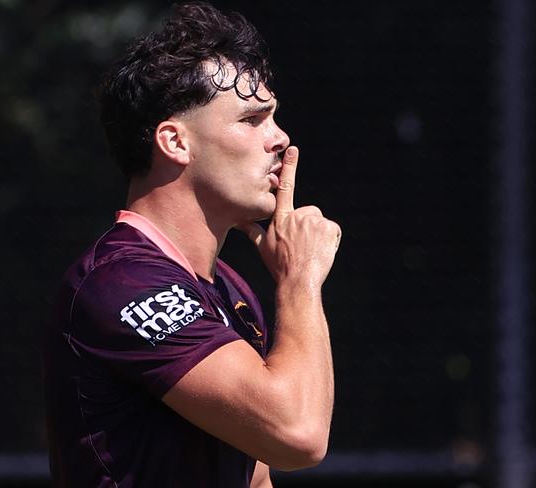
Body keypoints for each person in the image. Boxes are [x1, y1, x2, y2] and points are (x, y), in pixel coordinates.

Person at [43, 2, 341, 487]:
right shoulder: (121, 284)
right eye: (252, 120)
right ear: (174, 142)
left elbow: (258, 472)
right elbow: (298, 433)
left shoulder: (229, 288)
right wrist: (300, 279)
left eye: (274, 118)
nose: (281, 139)